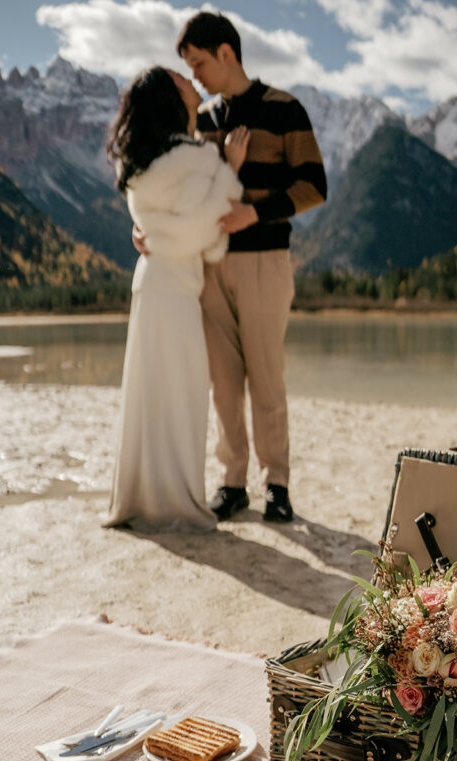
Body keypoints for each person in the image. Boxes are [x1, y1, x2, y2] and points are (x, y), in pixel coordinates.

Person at [136, 13, 327, 523]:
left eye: (198, 62)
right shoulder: (201, 121)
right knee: (223, 381)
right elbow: (174, 184)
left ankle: (278, 485)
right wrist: (147, 229)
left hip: (265, 262)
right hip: (208, 267)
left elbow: (314, 186)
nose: (195, 75)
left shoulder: (286, 109)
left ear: (226, 52)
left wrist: (255, 212)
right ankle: (233, 481)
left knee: (266, 375)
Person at [104, 65, 248, 532]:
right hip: (177, 288)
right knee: (183, 395)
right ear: (173, 97)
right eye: (180, 79)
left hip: (150, 284)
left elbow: (169, 230)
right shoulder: (199, 159)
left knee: (149, 394)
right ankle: (177, 501)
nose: (191, 80)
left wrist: (161, 235)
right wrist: (230, 171)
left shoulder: (137, 164)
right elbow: (208, 235)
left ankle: (141, 499)